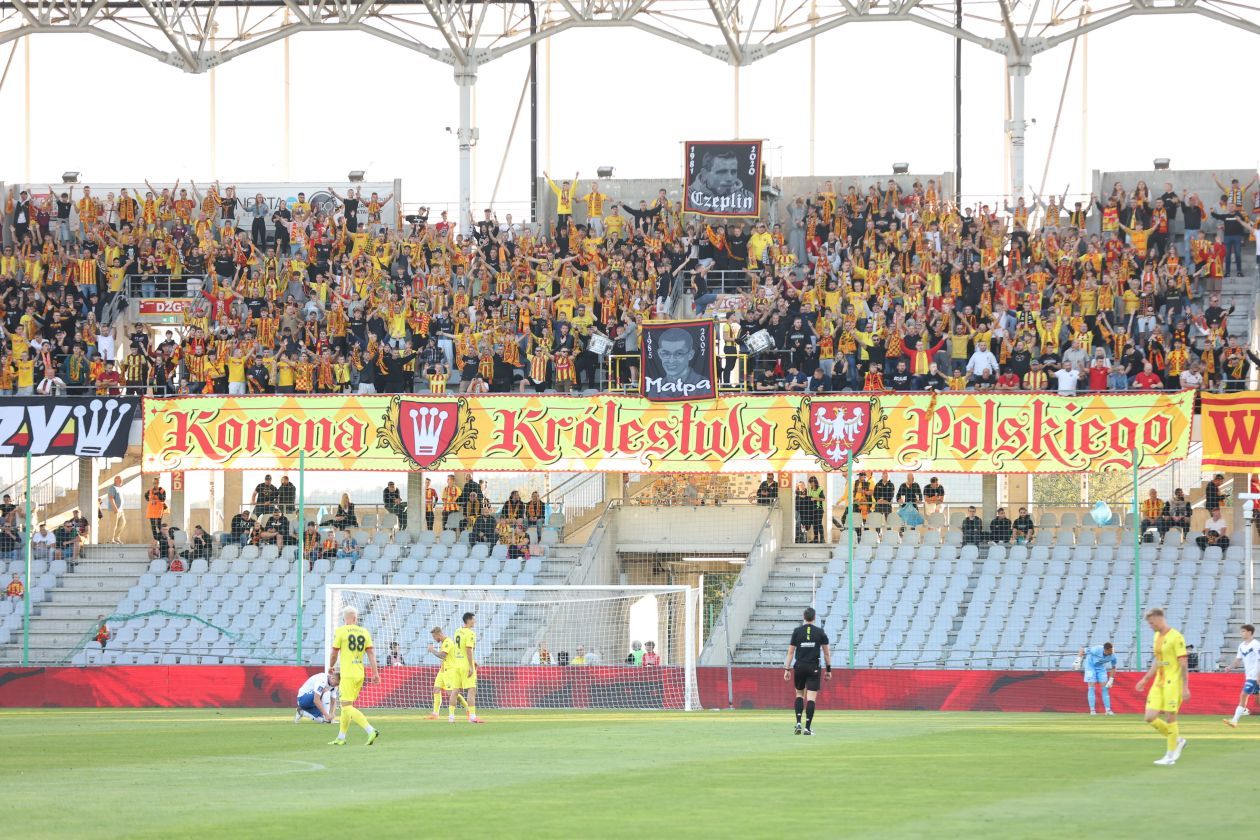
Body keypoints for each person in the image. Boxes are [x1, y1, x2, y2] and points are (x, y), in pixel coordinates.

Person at [1134, 608, 1189, 766]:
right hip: (1159, 682)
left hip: (1173, 683)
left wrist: (1185, 687)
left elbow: (1183, 664)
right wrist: (1145, 679)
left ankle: (1170, 755)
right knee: (1149, 717)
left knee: (1170, 717)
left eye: (1151, 623)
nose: (1150, 626)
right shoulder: (1157, 636)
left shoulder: (1176, 637)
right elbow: (1158, 661)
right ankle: (1177, 740)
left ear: (1159, 619)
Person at [327, 605, 380, 746]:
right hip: (359, 674)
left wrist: (331, 666)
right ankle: (341, 737)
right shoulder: (364, 632)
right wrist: (375, 673)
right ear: (355, 618)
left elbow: (334, 653)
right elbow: (371, 654)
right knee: (347, 705)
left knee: (346, 707)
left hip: (348, 675)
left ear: (344, 618)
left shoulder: (341, 631)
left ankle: (370, 730)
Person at [784, 606, 831, 736]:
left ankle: (798, 722)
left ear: (804, 618)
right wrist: (828, 670)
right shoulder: (820, 632)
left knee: (799, 695)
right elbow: (827, 654)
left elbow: (790, 652)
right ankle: (807, 728)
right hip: (813, 668)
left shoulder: (797, 631)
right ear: (814, 618)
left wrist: (787, 669)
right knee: (811, 699)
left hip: (799, 666)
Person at [644, 326, 711, 398]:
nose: (671, 360)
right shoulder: (655, 389)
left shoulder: (703, 386)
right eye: (666, 354)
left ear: (690, 355)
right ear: (659, 354)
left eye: (679, 353)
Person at [688, 149, 756, 214]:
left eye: (733, 172)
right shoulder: (688, 196)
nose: (730, 178)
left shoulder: (748, 198)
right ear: (705, 174)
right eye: (722, 172)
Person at [1223, 623, 1259, 728]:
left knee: (1243, 694)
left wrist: (1258, 676)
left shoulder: (1256, 644)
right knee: (1257, 699)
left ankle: (1235, 720)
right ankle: (1242, 710)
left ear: (1249, 632)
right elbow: (1237, 660)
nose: (1241, 633)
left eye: (1243, 631)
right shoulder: (1241, 646)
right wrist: (1230, 667)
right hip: (1250, 676)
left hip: (1255, 675)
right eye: (1241, 631)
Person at [427, 626, 467, 721]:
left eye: (434, 637)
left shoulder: (448, 642)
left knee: (451, 693)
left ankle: (467, 707)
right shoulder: (443, 642)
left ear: (439, 634)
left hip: (450, 671)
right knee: (436, 689)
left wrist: (432, 650)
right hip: (443, 671)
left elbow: (442, 655)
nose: (434, 639)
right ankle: (435, 714)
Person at [451, 612, 483, 723]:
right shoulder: (470, 633)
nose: (475, 621)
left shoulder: (457, 631)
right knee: (471, 689)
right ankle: (472, 717)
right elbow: (468, 650)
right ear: (469, 620)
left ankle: (451, 717)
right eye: (474, 619)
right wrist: (470, 665)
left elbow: (459, 649)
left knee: (455, 690)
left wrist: (473, 661)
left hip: (457, 664)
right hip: (465, 665)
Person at [1077, 642, 1117, 715]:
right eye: (1110, 651)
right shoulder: (1097, 649)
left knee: (1105, 688)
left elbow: (1113, 668)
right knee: (1091, 687)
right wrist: (1078, 661)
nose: (1112, 652)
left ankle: (1108, 710)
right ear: (1105, 650)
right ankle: (1092, 710)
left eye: (1112, 650)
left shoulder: (1113, 656)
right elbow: (1082, 650)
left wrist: (1111, 680)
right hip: (1090, 666)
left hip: (1101, 668)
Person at [103, 476, 125, 544]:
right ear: (115, 481)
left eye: (121, 480)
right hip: (114, 510)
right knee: (113, 525)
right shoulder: (112, 488)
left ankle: (116, 538)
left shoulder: (119, 488)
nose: (121, 481)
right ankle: (110, 540)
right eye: (119, 480)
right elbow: (111, 498)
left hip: (120, 510)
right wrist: (115, 508)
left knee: (122, 523)